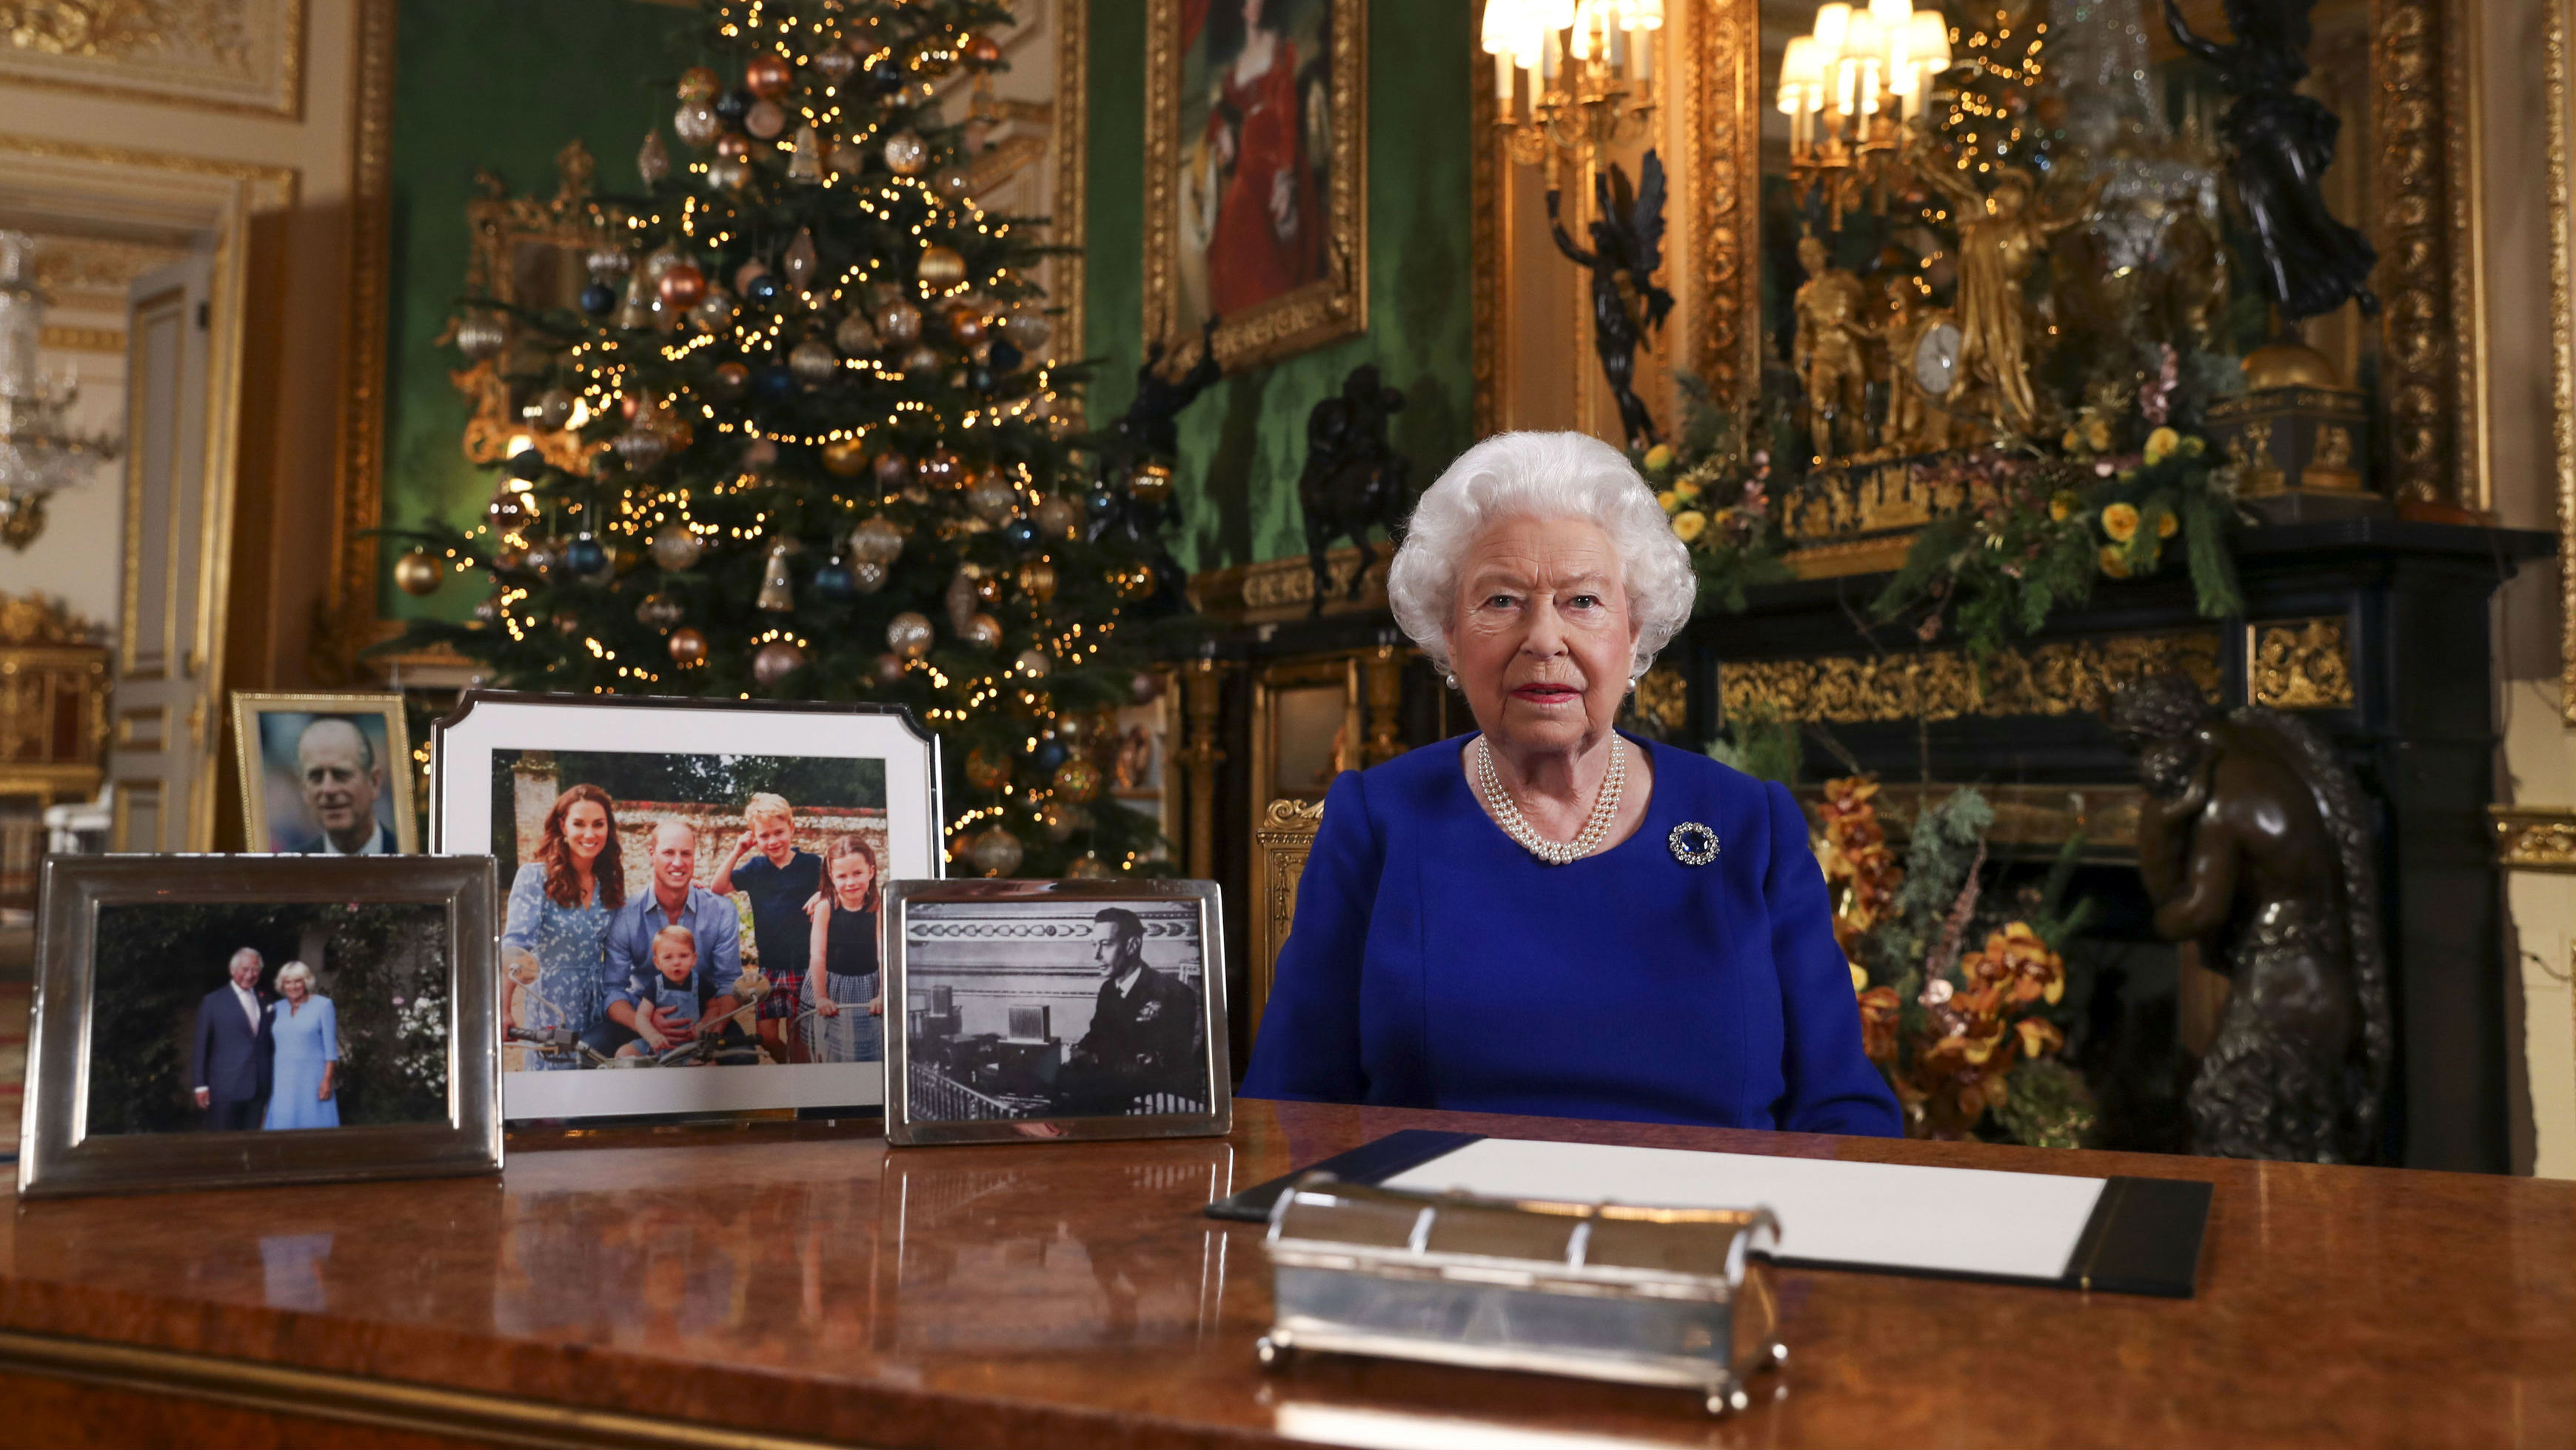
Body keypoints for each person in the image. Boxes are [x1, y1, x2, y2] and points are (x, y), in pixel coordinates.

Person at [1240, 431, 1901, 1135]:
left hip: (1712, 1205)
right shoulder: (1377, 821)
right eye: (1501, 601)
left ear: (1634, 630)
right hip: (1442, 1204)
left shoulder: (1747, 823)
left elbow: (1841, 1107)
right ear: (1449, 635)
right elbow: (1289, 1106)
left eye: (1582, 600)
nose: (1543, 638)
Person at [1202, 0, 1322, 315]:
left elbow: (1287, 112)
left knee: (1276, 239)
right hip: (1249, 163)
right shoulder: (1234, 68)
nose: (1256, 4)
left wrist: (1285, 172)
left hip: (1278, 158)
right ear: (1240, 9)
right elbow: (1221, 113)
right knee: (1232, 235)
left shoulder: (1279, 49)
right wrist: (1222, 132)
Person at [593, 819, 745, 1060]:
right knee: (589, 1051)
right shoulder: (625, 914)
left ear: (694, 857)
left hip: (702, 1017)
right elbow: (613, 990)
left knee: (744, 1058)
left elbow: (730, 983)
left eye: (686, 853)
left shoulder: (722, 911)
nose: (678, 862)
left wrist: (709, 1025)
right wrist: (645, 1025)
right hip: (639, 1014)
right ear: (651, 855)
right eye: (668, 853)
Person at [501, 784, 623, 1071]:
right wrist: (503, 1009)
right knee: (554, 1087)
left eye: (598, 824)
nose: (590, 834)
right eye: (579, 824)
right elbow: (515, 947)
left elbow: (623, 943)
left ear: (608, 829)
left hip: (598, 1010)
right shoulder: (535, 878)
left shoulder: (610, 883)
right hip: (553, 1007)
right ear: (562, 826)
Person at [1054, 908, 1202, 1114]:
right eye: (1094, 945)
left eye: (1105, 945)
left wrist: (1093, 1059)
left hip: (1152, 1103)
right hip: (1110, 1090)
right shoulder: (1108, 990)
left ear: (1132, 945)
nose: (1096, 955)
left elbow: (1164, 1065)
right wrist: (1073, 1052)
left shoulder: (1173, 994)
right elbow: (1096, 1036)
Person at [712, 792, 823, 1066]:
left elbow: (835, 889)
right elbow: (718, 887)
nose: (772, 841)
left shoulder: (811, 865)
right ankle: (791, 1069)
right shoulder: (756, 868)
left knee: (798, 1035)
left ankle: (800, 1080)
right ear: (754, 838)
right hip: (770, 967)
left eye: (779, 832)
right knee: (766, 1036)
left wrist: (823, 895)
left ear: (792, 828)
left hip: (803, 966)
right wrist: (738, 851)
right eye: (764, 836)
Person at [802, 834, 885, 1064]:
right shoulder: (825, 907)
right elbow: (817, 956)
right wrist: (821, 997)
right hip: (830, 985)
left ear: (871, 871)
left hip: (867, 988)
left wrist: (882, 995)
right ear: (831, 876)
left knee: (866, 1052)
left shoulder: (879, 908)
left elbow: (883, 954)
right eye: (842, 876)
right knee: (828, 1052)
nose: (850, 882)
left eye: (857, 873)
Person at [611, 927, 723, 1061]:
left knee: (709, 1064)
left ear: (694, 959)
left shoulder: (700, 983)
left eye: (683, 956)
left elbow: (713, 1008)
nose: (676, 962)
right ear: (657, 962)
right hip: (659, 1044)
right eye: (668, 957)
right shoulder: (655, 985)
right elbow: (642, 1017)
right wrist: (652, 1036)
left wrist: (703, 1025)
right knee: (624, 1053)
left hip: (691, 1047)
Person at [191, 946, 272, 1131]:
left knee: (253, 1144)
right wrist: (200, 1085)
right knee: (224, 1143)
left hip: (258, 1089)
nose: (250, 975)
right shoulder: (212, 1002)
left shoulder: (266, 1000)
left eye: (255, 970)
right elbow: (201, 1047)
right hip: (225, 1089)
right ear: (232, 969)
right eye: (245, 969)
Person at [290, 716, 395, 855]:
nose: (328, 789)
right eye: (316, 777)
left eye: (341, 775)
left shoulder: (412, 855)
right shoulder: (292, 867)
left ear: (374, 782)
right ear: (304, 789)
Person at [262, 961, 341, 1131]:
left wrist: (327, 1080)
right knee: (282, 1128)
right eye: (288, 982)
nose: (293, 986)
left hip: (313, 1079)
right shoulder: (276, 1008)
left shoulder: (324, 1005)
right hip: (283, 1080)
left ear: (306, 982)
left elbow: (331, 1050)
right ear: (282, 985)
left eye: (298, 981)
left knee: (314, 1128)